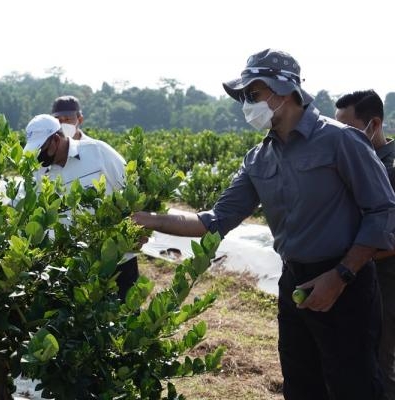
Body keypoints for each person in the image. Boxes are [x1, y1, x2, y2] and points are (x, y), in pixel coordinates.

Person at [132, 49, 395, 400]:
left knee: (355, 385)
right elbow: (215, 220)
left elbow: (382, 211)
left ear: (283, 91)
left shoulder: (341, 141)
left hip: (345, 284)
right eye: (244, 97)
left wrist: (341, 275)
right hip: (295, 282)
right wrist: (147, 220)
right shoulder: (258, 158)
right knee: (301, 384)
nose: (246, 104)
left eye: (252, 94)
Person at [24, 114, 138, 300]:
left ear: (55, 139)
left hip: (117, 259)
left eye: (41, 149)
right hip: (74, 266)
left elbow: (133, 190)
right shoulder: (40, 173)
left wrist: (140, 232)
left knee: (125, 316)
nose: (38, 155)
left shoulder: (97, 152)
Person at [335, 89, 395, 400]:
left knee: (379, 363)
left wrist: (353, 260)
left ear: (373, 123)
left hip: (385, 282)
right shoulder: (347, 163)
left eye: (348, 127)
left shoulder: (391, 167)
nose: (340, 135)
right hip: (351, 277)